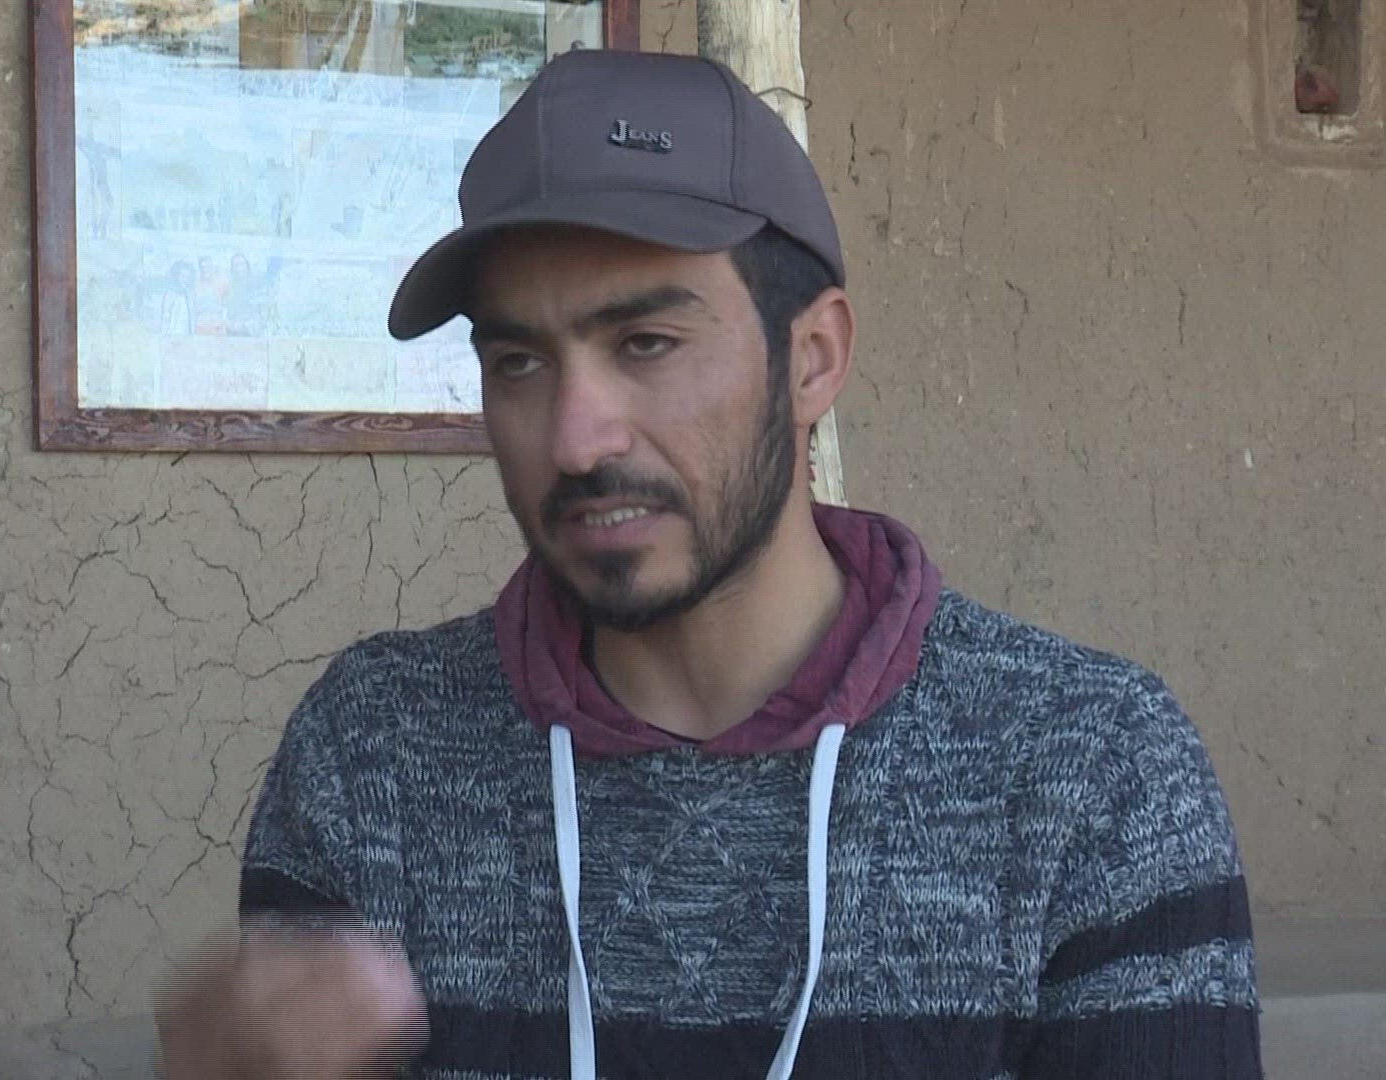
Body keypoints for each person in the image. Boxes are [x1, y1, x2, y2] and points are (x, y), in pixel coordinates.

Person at [155, 50, 1260, 1080]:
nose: (577, 439)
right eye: (520, 361)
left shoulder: (1089, 768)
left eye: (646, 343)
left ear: (813, 358)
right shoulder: (374, 754)